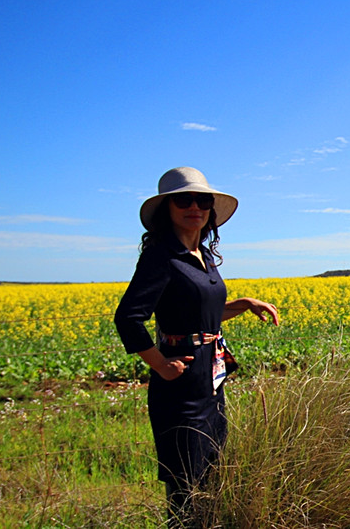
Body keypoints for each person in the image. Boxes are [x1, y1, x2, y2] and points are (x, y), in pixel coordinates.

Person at [114, 166, 278, 527]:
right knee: (185, 481)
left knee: (212, 471)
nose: (195, 207)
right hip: (180, 382)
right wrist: (159, 364)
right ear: (166, 209)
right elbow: (128, 317)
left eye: (202, 200)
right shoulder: (162, 256)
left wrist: (244, 304)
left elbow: (205, 313)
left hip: (210, 378)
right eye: (183, 200)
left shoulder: (202, 255)